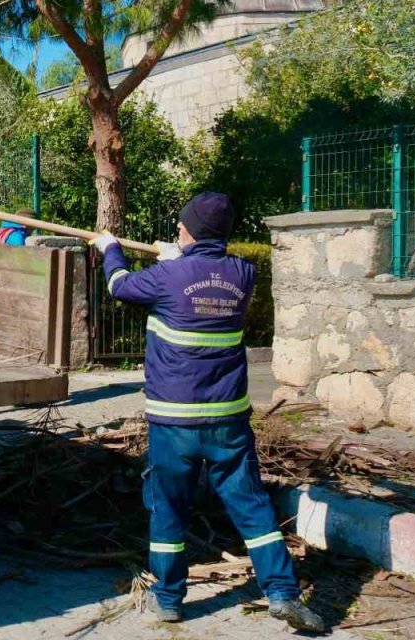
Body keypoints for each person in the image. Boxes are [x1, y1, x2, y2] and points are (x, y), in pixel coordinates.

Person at [91, 192, 324, 632]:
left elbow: (119, 285)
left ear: (189, 230)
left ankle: (168, 599)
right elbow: (202, 278)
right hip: (227, 422)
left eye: (181, 225)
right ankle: (281, 592)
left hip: (174, 422)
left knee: (168, 507)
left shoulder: (167, 277)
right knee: (252, 507)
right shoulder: (244, 275)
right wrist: (180, 256)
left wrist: (111, 248)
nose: (177, 229)